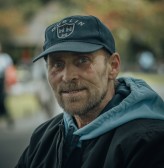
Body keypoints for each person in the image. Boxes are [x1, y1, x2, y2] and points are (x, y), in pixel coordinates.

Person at [15, 15, 164, 168]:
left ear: (113, 66)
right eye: (58, 64)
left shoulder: (149, 143)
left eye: (82, 60)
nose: (67, 77)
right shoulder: (42, 137)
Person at [0, 43, 15, 126]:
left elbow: (10, 71)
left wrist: (8, 84)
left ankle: (8, 118)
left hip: (3, 80)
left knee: (2, 99)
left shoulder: (5, 57)